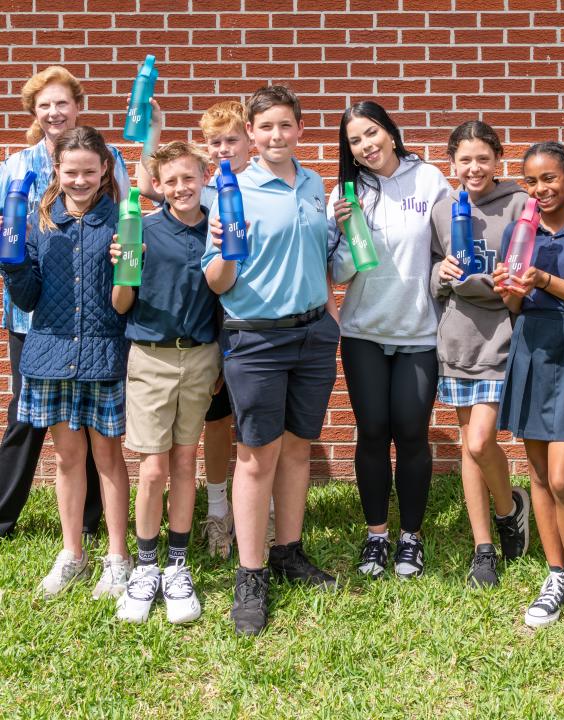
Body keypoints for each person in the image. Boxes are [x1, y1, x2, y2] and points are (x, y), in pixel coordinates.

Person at [202, 85, 340, 636]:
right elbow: (214, 280)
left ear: (299, 129)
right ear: (251, 136)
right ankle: (250, 574)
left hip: (312, 334)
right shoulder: (229, 188)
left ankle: (288, 552)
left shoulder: (313, 184)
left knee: (299, 450)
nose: (276, 136)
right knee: (257, 456)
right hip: (256, 337)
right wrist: (226, 249)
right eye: (266, 128)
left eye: (286, 126)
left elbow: (326, 260)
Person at [0, 127, 131, 600]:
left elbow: (125, 306)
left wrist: (129, 264)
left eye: (88, 172)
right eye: (70, 171)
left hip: (102, 357)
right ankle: (72, 553)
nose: (79, 180)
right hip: (49, 357)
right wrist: (12, 264)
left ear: (104, 171)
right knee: (68, 459)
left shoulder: (121, 222)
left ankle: (117, 557)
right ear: (56, 171)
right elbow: (30, 296)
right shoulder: (39, 223)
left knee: (109, 460)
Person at [134, 99, 264, 560]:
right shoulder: (204, 196)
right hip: (208, 330)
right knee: (212, 423)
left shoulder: (271, 184)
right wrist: (156, 130)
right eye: (215, 142)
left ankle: (255, 513)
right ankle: (216, 513)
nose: (225, 148)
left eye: (233, 139)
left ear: (251, 139)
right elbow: (153, 183)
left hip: (256, 326)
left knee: (252, 425)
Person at [328, 101, 449, 580]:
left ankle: (410, 539)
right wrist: (343, 232)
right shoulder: (346, 190)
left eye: (372, 132)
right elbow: (337, 273)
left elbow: (445, 249)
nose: (366, 145)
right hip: (363, 331)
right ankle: (377, 535)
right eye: (355, 141)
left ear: (391, 132)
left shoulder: (430, 180)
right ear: (351, 152)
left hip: (419, 330)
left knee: (412, 432)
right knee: (373, 431)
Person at [492, 142, 564, 639]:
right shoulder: (522, 229)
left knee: (563, 477)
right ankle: (555, 574)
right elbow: (514, 307)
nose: (541, 189)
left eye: (550, 179)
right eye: (532, 182)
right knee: (538, 474)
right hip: (531, 348)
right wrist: (512, 293)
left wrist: (544, 280)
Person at [112, 141, 220, 624]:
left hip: (200, 357)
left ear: (205, 177)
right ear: (157, 185)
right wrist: (124, 264)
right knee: (153, 468)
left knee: (184, 460)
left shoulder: (219, 231)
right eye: (170, 181)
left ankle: (178, 566)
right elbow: (119, 305)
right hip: (151, 358)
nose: (180, 188)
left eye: (189, 178)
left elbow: (225, 298)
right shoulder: (143, 230)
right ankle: (146, 565)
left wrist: (220, 360)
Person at [430, 120, 531, 588]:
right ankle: (483, 546)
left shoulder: (518, 205)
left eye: (482, 158)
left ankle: (510, 507)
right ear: (452, 163)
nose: (474, 168)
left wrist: (467, 283)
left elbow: (517, 281)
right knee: (470, 443)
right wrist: (443, 273)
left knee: (478, 442)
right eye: (464, 160)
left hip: (499, 337)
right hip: (457, 340)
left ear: (498, 159)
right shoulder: (443, 208)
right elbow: (432, 276)